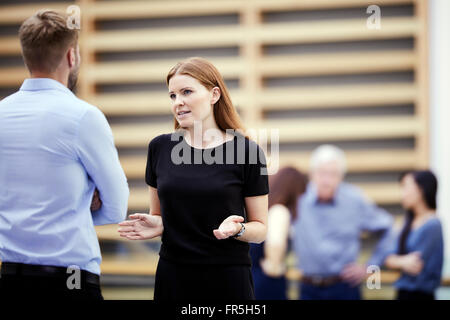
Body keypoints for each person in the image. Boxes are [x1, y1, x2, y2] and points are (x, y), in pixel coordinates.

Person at [0, 10, 129, 300]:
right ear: (72, 56)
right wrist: (75, 207)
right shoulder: (83, 116)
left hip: (10, 278)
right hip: (71, 281)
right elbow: (116, 206)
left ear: (26, 57)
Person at [118, 57, 269, 301]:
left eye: (186, 92)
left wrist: (237, 229)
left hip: (227, 279)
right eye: (173, 96)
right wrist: (159, 224)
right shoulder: (159, 148)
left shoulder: (248, 152)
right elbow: (159, 215)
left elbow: (260, 229)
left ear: (214, 94)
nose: (178, 102)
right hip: (173, 276)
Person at [292, 144, 394, 300]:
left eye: (333, 174)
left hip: (344, 288)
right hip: (308, 287)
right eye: (322, 173)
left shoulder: (354, 200)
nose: (327, 180)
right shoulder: (298, 200)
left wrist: (369, 267)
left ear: (341, 176)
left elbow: (389, 227)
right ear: (312, 174)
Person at [383, 170, 443, 300]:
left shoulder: (432, 225)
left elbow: (415, 265)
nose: (402, 194)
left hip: (420, 295)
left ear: (421, 190)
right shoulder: (408, 223)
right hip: (403, 293)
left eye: (406, 187)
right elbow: (387, 257)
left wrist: (397, 261)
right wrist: (400, 261)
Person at [250, 166, 307, 300]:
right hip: (267, 281)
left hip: (254, 278)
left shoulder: (265, 209)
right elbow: (275, 244)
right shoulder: (280, 211)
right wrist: (276, 268)